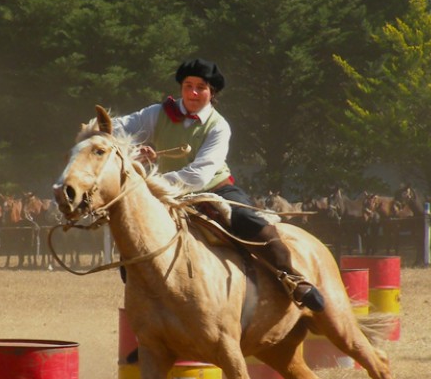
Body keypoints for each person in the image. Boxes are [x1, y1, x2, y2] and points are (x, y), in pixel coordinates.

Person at [111, 58, 325, 311]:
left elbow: (199, 175)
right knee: (133, 238)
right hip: (165, 195)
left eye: (200, 87)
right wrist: (132, 149)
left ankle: (292, 278)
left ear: (212, 93)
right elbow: (115, 129)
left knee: (252, 222)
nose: (192, 92)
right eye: (188, 85)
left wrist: (151, 183)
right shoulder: (157, 113)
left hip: (214, 189)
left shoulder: (219, 126)